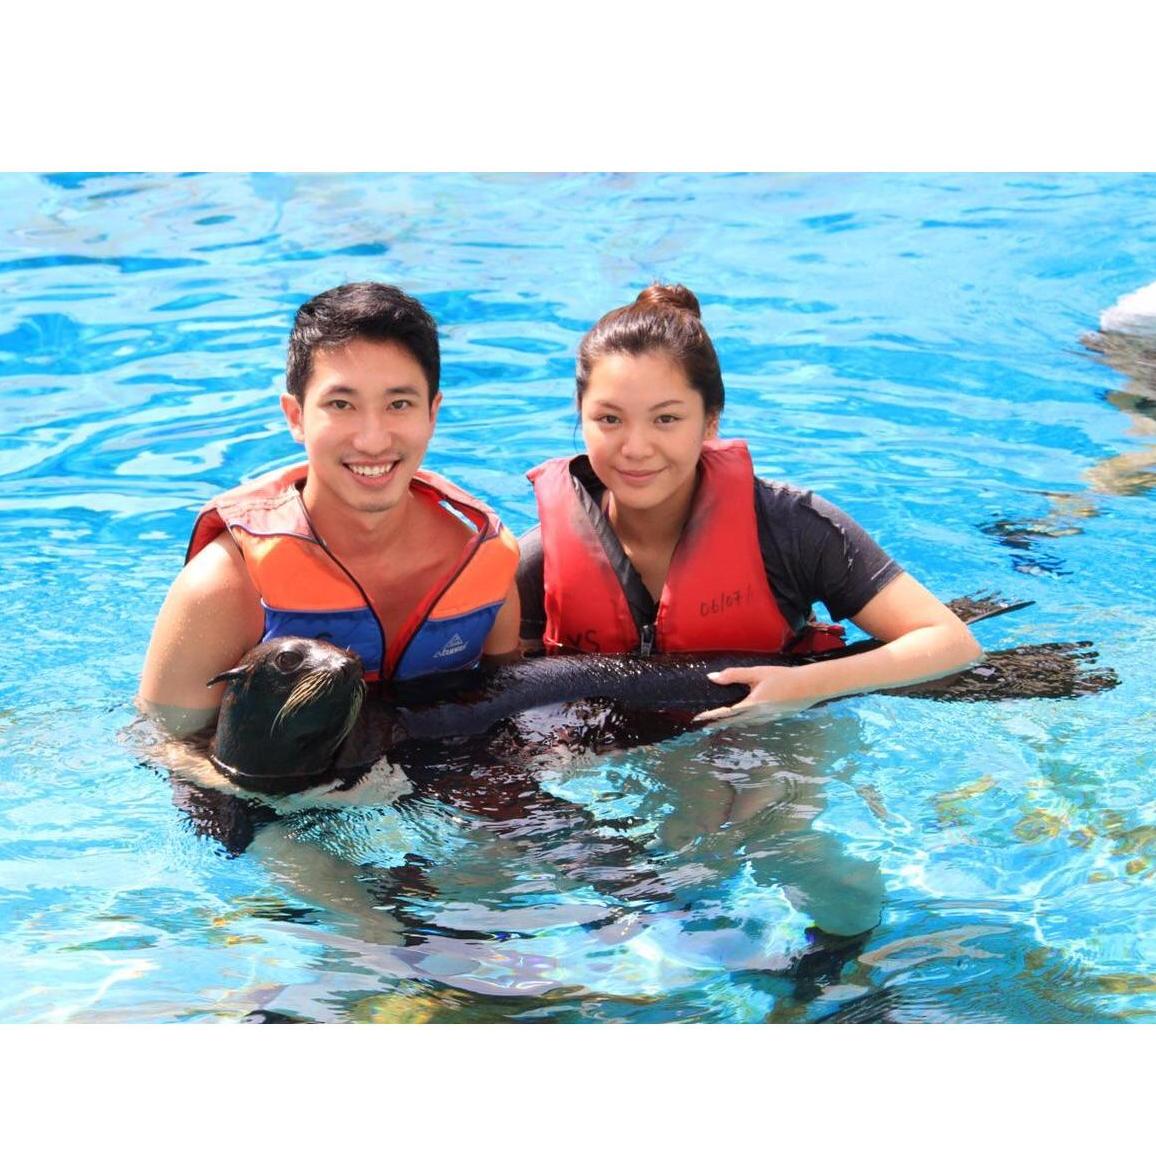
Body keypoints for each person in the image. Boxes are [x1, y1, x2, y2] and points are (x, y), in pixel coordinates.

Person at [517, 283, 981, 722]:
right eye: (610, 419)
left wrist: (806, 684)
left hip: (778, 735)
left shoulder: (791, 529)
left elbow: (952, 642)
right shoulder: (539, 563)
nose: (636, 447)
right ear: (581, 416)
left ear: (710, 422)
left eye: (666, 419)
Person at [140, 282, 521, 739]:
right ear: (296, 417)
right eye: (341, 405)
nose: (372, 439)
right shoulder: (227, 584)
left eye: (399, 404)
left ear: (432, 414)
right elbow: (162, 746)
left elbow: (512, 708)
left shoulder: (483, 558)